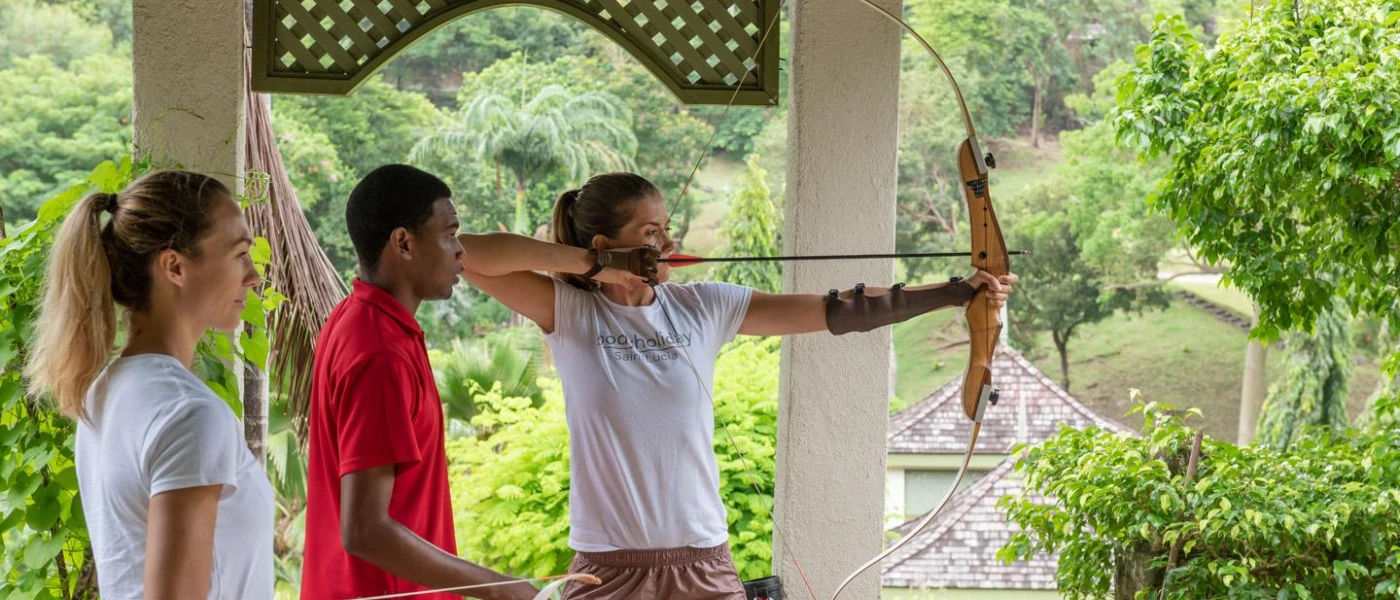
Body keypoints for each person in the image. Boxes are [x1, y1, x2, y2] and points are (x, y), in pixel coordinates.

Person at [456, 172, 1018, 599]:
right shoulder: (570, 311)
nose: (668, 242)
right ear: (608, 242)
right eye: (650, 234)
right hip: (608, 567)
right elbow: (467, 256)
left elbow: (838, 310)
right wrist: (595, 265)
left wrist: (952, 292)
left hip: (703, 560)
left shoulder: (703, 306)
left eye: (666, 229)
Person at [25, 171, 274, 599]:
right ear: (174, 266)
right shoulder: (189, 414)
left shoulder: (105, 391)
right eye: (239, 254)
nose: (253, 275)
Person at [300, 164, 536, 600]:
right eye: (449, 234)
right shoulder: (379, 352)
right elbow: (365, 531)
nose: (460, 251)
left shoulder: (358, 319)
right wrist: (499, 587)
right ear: (403, 243)